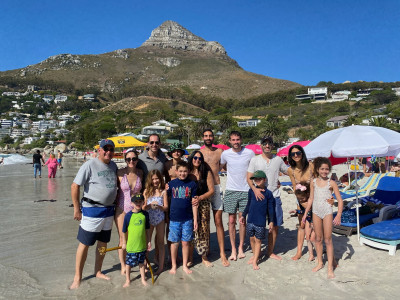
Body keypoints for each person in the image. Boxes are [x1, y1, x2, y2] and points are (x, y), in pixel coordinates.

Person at [69, 139, 118, 289]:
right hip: (92, 210)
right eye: (105, 149)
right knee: (85, 244)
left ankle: (98, 271)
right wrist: (76, 208)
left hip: (109, 210)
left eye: (111, 149)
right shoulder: (89, 165)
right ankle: (77, 277)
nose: (108, 152)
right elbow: (75, 186)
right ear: (99, 150)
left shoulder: (114, 165)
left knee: (103, 243)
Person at [247, 136, 288, 261]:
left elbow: (289, 171)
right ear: (261, 146)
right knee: (254, 225)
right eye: (264, 143)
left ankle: (270, 252)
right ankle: (256, 254)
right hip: (258, 197)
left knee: (274, 226)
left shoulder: (278, 160)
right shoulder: (255, 160)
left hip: (274, 196)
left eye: (269, 143)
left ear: (272, 145)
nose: (267, 146)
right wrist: (255, 190)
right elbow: (249, 177)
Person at [302, 157, 343, 279]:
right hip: (315, 212)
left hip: (327, 212)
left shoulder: (332, 183)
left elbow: (340, 200)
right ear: (318, 169)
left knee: (328, 239)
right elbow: (311, 199)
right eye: (322, 169)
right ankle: (320, 262)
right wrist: (305, 214)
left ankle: (330, 268)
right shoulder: (313, 182)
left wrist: (339, 214)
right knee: (318, 239)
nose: (325, 171)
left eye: (327, 169)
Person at [220, 131, 255, 261]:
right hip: (230, 190)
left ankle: (240, 247)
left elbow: (254, 168)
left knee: (242, 220)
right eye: (233, 140)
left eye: (238, 139)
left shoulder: (249, 153)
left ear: (241, 140)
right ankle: (233, 249)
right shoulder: (225, 154)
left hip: (246, 190)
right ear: (229, 141)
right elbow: (221, 167)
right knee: (231, 221)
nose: (236, 142)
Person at [200, 129, 230, 266]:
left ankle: (222, 253)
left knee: (218, 221)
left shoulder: (219, 152)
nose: (208, 137)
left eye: (210, 135)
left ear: (213, 137)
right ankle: (205, 252)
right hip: (204, 189)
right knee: (204, 222)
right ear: (202, 138)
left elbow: (228, 167)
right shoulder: (199, 153)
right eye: (206, 136)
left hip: (217, 187)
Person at [114, 148, 143, 274]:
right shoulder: (120, 173)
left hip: (135, 210)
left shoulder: (141, 173)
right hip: (121, 209)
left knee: (135, 237)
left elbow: (145, 190)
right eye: (129, 159)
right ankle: (123, 264)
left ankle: (136, 261)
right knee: (122, 238)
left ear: (137, 160)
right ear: (125, 160)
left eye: (134, 159)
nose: (131, 161)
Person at [167, 161, 198, 275]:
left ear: (188, 171)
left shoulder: (192, 184)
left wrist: (195, 219)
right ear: (176, 172)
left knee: (185, 243)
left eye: (185, 171)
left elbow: (194, 203)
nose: (183, 173)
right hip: (174, 219)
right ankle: (174, 265)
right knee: (174, 243)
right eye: (180, 171)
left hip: (188, 219)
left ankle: (184, 265)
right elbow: (164, 197)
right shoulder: (171, 184)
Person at [239, 170, 275, 270]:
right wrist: (243, 216)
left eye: (259, 179)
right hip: (250, 220)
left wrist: (271, 221)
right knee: (251, 239)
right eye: (255, 179)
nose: (257, 181)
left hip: (260, 222)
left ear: (264, 179)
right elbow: (248, 204)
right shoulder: (251, 191)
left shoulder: (268, 194)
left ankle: (255, 261)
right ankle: (256, 255)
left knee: (258, 240)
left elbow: (270, 209)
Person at [287, 145, 314, 261]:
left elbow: (318, 182)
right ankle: (299, 251)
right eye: (293, 154)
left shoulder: (311, 166)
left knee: (315, 226)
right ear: (290, 157)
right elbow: (294, 188)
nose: (296, 155)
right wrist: (303, 203)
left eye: (298, 153)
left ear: (302, 153)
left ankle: (316, 249)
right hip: (301, 200)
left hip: (314, 199)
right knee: (301, 226)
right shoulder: (291, 170)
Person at [188, 150, 215, 267]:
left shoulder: (206, 172)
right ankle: (189, 257)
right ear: (191, 158)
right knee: (190, 229)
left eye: (199, 158)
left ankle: (204, 256)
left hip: (203, 203)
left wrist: (200, 198)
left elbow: (212, 190)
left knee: (203, 229)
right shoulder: (187, 171)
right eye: (195, 158)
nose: (197, 160)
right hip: (189, 204)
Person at [122, 193, 151, 287]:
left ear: (143, 202)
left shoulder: (145, 214)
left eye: (140, 201)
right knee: (128, 264)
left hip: (142, 245)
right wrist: (124, 243)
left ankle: (143, 279)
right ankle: (127, 280)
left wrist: (149, 241)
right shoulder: (128, 216)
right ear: (132, 203)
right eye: (136, 202)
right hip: (131, 246)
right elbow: (124, 231)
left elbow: (147, 230)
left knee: (142, 263)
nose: (138, 203)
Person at [143, 170, 168, 275]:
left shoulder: (163, 191)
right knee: (147, 243)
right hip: (149, 220)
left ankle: (161, 266)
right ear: (150, 180)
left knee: (160, 242)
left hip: (160, 219)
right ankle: (144, 265)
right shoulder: (146, 191)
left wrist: (159, 206)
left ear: (160, 179)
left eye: (157, 178)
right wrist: (149, 205)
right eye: (153, 179)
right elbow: (143, 207)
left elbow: (166, 207)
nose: (155, 181)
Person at [291, 181, 315, 261]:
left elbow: (311, 211)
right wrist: (296, 211)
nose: (300, 200)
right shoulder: (303, 202)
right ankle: (311, 255)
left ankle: (318, 252)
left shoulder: (312, 202)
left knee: (313, 239)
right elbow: (305, 211)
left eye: (302, 198)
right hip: (308, 219)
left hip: (314, 221)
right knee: (308, 237)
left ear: (308, 195)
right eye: (299, 199)